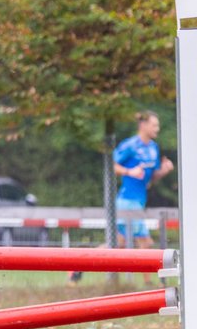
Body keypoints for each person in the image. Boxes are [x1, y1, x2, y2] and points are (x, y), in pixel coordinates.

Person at [69, 111, 175, 284]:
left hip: (139, 201)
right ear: (143, 125)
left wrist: (164, 170)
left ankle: (78, 266)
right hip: (127, 201)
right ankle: (150, 284)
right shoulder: (130, 145)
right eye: (154, 125)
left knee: (116, 243)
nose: (158, 128)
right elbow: (111, 164)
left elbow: (150, 179)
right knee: (146, 243)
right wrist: (129, 171)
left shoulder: (153, 148)